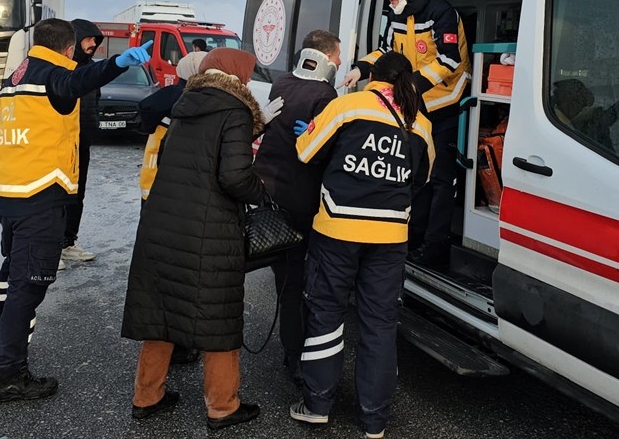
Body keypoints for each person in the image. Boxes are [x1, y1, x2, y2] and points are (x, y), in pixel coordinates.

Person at [0, 18, 151, 403]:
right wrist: (117, 64)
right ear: (66, 48)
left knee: (11, 271)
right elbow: (79, 82)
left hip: (10, 191)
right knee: (28, 287)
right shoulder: (53, 75)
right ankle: (8, 375)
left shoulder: (16, 77)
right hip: (40, 195)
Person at [289, 52, 433, 439]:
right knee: (380, 324)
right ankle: (375, 420)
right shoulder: (420, 123)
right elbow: (421, 178)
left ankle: (317, 405)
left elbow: (305, 151)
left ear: (372, 77)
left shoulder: (348, 105)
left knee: (326, 315)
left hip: (337, 231)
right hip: (389, 238)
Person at [122, 48, 267, 431]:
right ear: (236, 73)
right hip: (209, 229)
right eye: (248, 73)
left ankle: (147, 396)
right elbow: (234, 176)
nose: (250, 80)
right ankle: (223, 406)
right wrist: (262, 191)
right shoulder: (234, 111)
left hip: (163, 223)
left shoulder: (186, 105)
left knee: (160, 314)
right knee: (216, 317)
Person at [342, 0, 469, 266]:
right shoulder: (398, 14)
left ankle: (436, 249)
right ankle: (413, 240)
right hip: (416, 109)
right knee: (419, 177)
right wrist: (361, 68)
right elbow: (386, 52)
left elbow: (450, 60)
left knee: (441, 180)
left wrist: (411, 85)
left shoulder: (442, 13)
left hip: (444, 107)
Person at [251, 29, 342, 384]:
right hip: (301, 197)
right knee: (299, 280)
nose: (338, 62)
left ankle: (293, 353)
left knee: (285, 278)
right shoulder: (324, 92)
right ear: (325, 56)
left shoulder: (283, 83)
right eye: (337, 55)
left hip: (268, 190)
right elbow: (318, 151)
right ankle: (298, 359)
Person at [134, 49, 208, 365]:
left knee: (158, 274)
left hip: (150, 190)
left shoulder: (163, 99)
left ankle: (163, 344)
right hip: (171, 198)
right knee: (179, 276)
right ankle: (176, 344)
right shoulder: (188, 106)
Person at [59, 19, 104, 267]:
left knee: (77, 196)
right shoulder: (61, 69)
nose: (93, 44)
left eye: (96, 41)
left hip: (82, 145)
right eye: (89, 39)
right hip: (60, 144)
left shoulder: (90, 69)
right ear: (75, 40)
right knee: (58, 197)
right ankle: (50, 249)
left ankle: (67, 243)